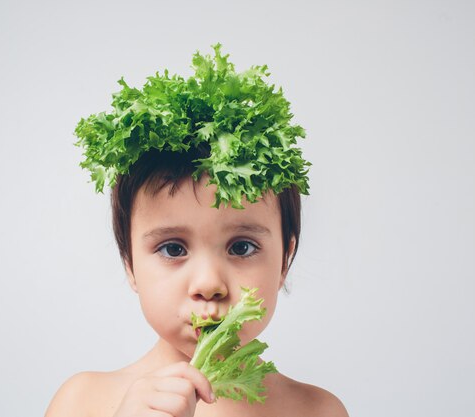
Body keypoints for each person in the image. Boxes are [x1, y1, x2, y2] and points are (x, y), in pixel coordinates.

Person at [45, 45, 348, 417]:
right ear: (129, 264)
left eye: (241, 247)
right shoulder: (84, 402)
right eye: (173, 249)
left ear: (284, 259)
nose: (208, 284)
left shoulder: (317, 411)